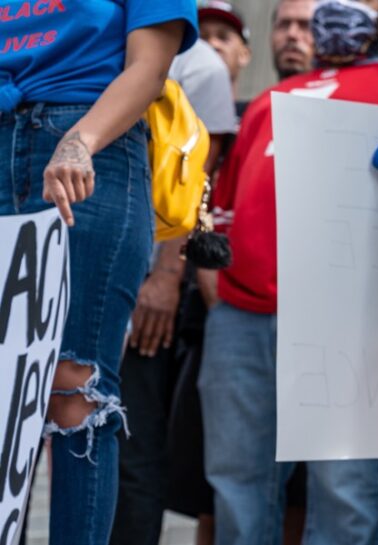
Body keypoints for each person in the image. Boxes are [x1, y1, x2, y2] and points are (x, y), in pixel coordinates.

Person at [0, 3, 197, 545]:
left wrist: (81, 141)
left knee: (74, 385)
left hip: (90, 143)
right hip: (3, 141)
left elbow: (149, 69)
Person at [200, 1, 378, 543]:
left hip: (344, 318)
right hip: (242, 316)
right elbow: (227, 209)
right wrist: (219, 288)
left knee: (345, 489)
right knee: (238, 482)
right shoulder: (266, 99)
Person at [110, 31, 236, 545]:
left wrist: (165, 276)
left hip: (143, 280)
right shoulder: (84, 31)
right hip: (62, 258)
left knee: (132, 444)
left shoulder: (200, 64)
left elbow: (195, 176)